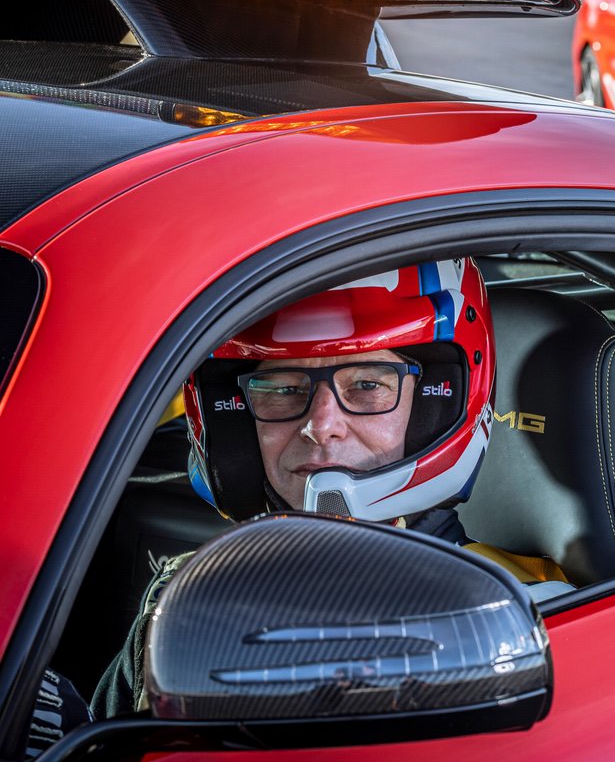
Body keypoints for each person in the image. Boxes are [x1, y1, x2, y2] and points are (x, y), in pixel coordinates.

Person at [90, 259, 572, 718]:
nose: (321, 426)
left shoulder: (529, 618)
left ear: (436, 405)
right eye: (281, 389)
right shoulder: (189, 592)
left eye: (366, 385)